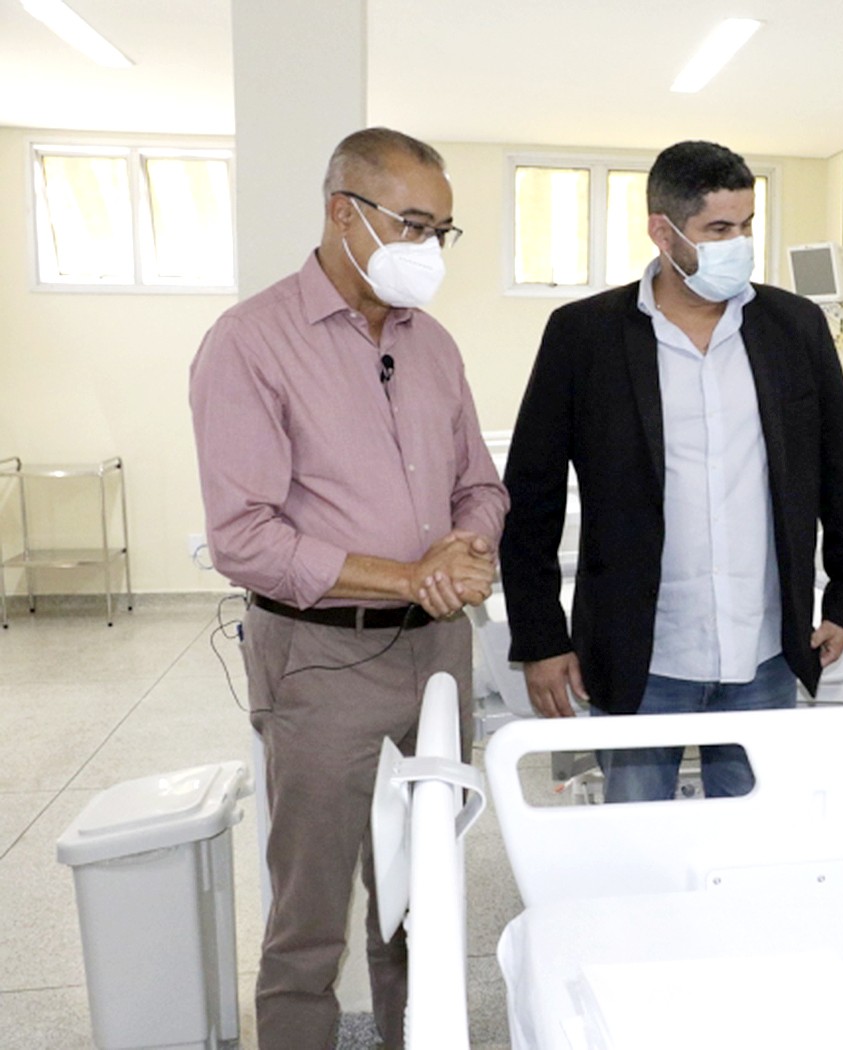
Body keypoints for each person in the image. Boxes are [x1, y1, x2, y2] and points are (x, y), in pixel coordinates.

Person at [189, 127, 506, 1050]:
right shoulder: (252, 342)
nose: (428, 249)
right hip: (322, 659)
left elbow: (481, 485)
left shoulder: (432, 345)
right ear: (342, 212)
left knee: (422, 898)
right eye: (413, 224)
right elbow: (243, 536)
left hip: (436, 651)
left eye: (441, 231)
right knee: (311, 910)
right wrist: (406, 573)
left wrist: (467, 548)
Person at [499, 139, 843, 802]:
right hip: (642, 652)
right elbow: (531, 498)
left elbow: (840, 468)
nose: (740, 245)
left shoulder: (794, 328)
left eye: (747, 226)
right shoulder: (584, 336)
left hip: (762, 648)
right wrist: (540, 639)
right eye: (718, 229)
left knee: (752, 838)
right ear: (662, 231)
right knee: (637, 839)